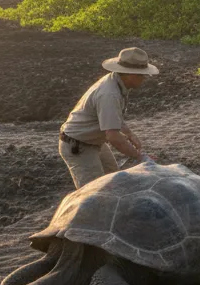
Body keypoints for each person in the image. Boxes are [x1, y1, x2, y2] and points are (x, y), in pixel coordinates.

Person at [58, 46, 158, 189]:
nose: (144, 79)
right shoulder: (109, 94)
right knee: (95, 192)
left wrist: (129, 133)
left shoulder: (117, 82)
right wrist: (140, 157)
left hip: (94, 141)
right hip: (78, 144)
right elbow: (113, 136)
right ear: (131, 75)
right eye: (142, 75)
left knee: (114, 181)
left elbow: (113, 115)